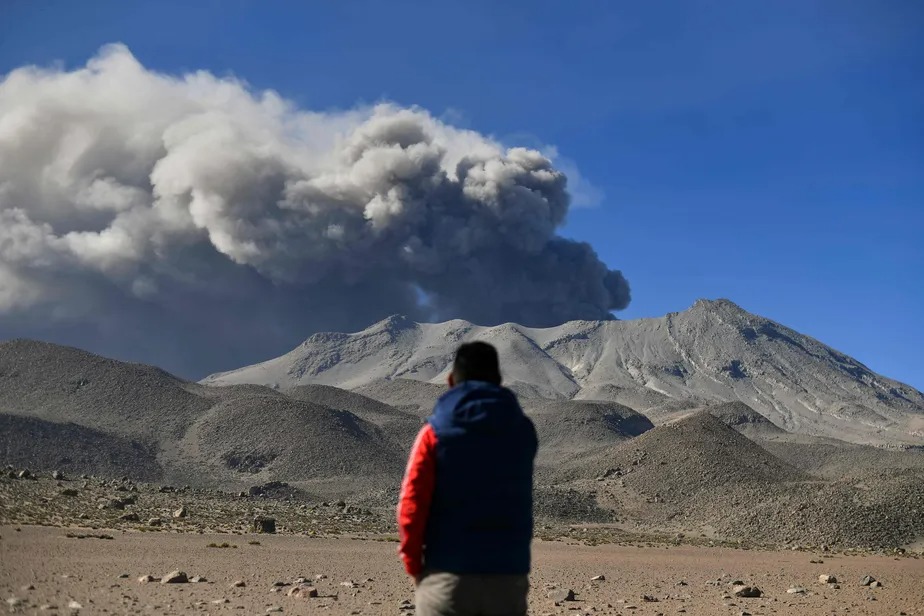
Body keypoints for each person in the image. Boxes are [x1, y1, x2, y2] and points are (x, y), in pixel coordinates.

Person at [397, 341, 538, 616]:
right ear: (498, 381)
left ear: (450, 380)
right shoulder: (523, 431)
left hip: (448, 575)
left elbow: (411, 503)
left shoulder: (433, 433)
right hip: (508, 579)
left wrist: (415, 565)